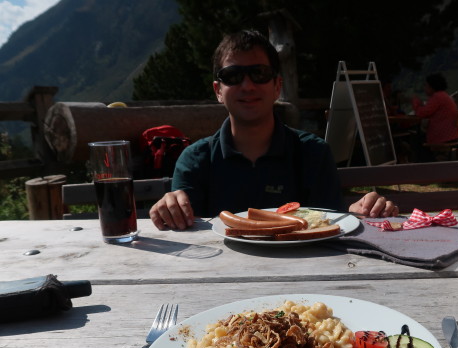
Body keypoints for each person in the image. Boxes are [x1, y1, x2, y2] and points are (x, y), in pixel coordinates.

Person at [150, 30, 398, 230]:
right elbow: (184, 230)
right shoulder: (195, 160)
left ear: (277, 86)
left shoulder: (313, 153)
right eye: (233, 76)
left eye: (259, 73)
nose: (247, 86)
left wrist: (360, 213)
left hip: (302, 274)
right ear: (218, 90)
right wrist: (169, 210)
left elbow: (329, 226)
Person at [411, 73, 458, 150]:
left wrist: (416, 104)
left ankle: (423, 160)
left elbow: (422, 113)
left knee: (415, 137)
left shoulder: (437, 97)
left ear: (432, 87)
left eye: (426, 86)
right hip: (452, 134)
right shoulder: (444, 96)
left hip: (443, 135)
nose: (424, 88)